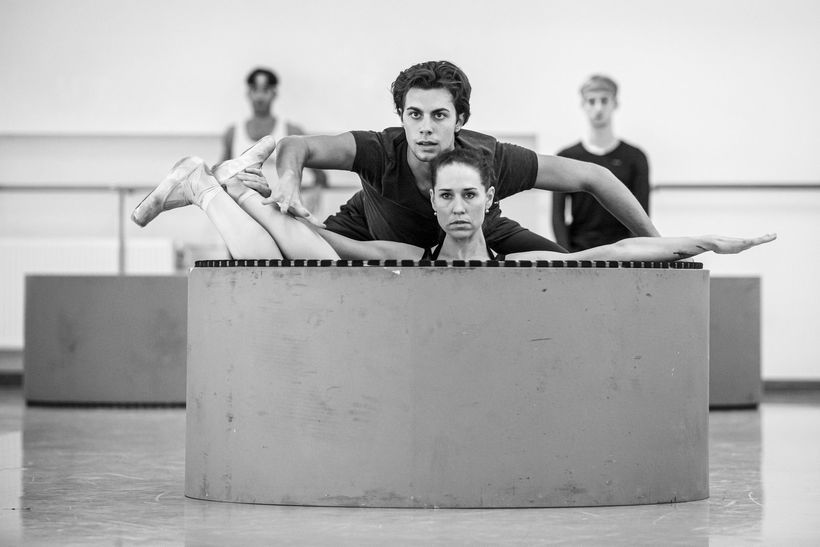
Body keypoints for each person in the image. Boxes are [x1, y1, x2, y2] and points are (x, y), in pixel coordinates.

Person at [237, 60, 661, 255]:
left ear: (460, 120)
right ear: (400, 117)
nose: (425, 127)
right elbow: (298, 145)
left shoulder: (490, 156)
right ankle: (221, 190)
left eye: (439, 115)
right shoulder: (378, 150)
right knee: (287, 250)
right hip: (372, 228)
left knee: (563, 272)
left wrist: (653, 243)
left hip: (482, 233)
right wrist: (288, 181)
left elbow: (595, 176)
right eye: (414, 115)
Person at [131, 143, 775, 264]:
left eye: (471, 195)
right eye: (448, 197)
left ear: (489, 199)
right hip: (360, 263)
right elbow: (341, 246)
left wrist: (704, 242)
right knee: (307, 257)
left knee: (302, 254)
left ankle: (213, 186)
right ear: (434, 205)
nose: (461, 207)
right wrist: (278, 203)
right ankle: (223, 188)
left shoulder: (514, 262)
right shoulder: (414, 253)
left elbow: (615, 251)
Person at [552, 74, 650, 251]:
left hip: (623, 253)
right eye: (591, 101)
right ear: (583, 105)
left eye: (604, 101)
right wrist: (566, 257)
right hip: (579, 252)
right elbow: (557, 216)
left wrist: (634, 255)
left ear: (615, 104)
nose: (598, 108)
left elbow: (642, 216)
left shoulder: (635, 157)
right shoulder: (567, 156)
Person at [222, 67, 327, 213]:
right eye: (255, 89)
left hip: (285, 215)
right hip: (244, 216)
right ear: (248, 93)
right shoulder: (233, 134)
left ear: (274, 93)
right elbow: (221, 177)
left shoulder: (292, 132)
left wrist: (316, 193)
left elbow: (320, 177)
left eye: (265, 90)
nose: (259, 96)